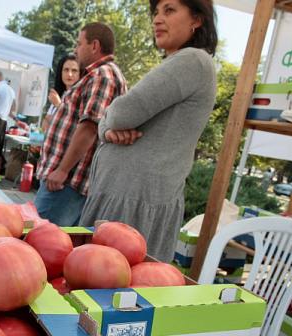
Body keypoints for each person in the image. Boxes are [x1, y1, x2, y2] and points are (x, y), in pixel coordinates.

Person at [79, 0, 218, 263]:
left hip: (134, 203)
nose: (157, 19)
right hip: (131, 199)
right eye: (156, 12)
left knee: (110, 291)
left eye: (170, 10)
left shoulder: (191, 60)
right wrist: (108, 130)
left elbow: (121, 113)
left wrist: (108, 124)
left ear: (197, 20)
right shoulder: (183, 62)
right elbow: (116, 119)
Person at [34, 23, 128, 227]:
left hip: (67, 182)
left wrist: (62, 170)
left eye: (79, 44)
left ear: (95, 46)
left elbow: (90, 129)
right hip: (66, 181)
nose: (75, 51)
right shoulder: (98, 75)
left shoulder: (103, 75)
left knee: (38, 240)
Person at [42, 53, 83, 132]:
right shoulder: (60, 94)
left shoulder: (82, 98)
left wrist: (59, 105)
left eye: (74, 70)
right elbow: (45, 125)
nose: (69, 74)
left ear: (80, 73)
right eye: (66, 70)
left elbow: (74, 127)